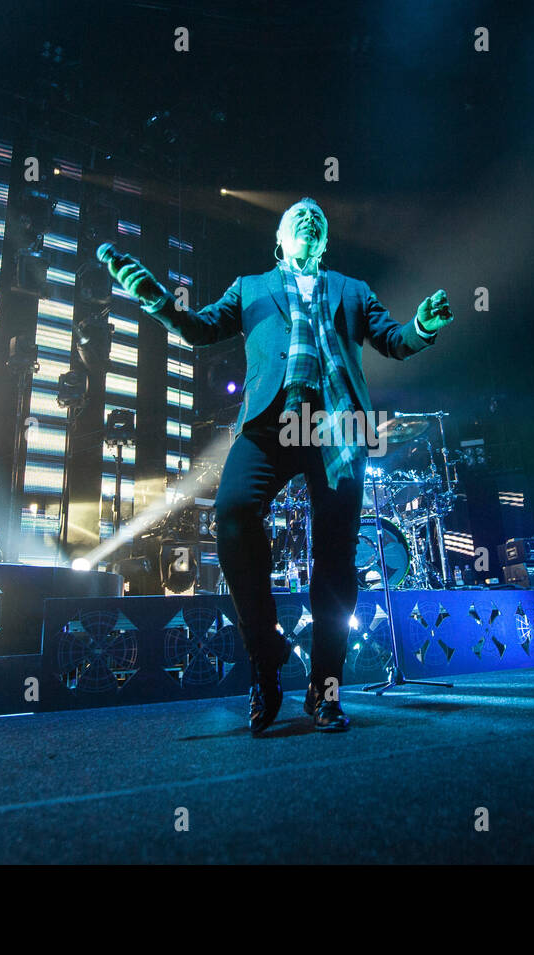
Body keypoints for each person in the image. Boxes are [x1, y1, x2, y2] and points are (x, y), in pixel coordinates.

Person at [105, 198, 454, 733]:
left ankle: (325, 689)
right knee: (234, 511)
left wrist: (423, 326)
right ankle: (266, 657)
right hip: (272, 423)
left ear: (324, 242)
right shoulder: (250, 288)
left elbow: (394, 340)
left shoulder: (352, 290)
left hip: (336, 428)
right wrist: (156, 299)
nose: (309, 218)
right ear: (280, 238)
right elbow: (200, 329)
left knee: (336, 561)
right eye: (298, 217)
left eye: (318, 218)